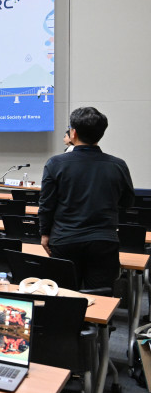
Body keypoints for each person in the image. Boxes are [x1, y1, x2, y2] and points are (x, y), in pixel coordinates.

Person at [38, 107, 134, 289]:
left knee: (65, 295)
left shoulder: (55, 164)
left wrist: (44, 233)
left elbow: (46, 204)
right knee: (100, 297)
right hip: (104, 240)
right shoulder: (118, 165)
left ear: (73, 133)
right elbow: (128, 202)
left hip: (65, 239)